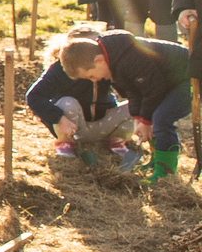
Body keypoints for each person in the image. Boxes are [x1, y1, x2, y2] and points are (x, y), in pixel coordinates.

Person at [56, 30, 189, 184]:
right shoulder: (113, 61)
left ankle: (165, 174)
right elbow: (134, 92)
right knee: (153, 115)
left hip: (190, 78)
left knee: (161, 118)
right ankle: (158, 161)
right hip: (167, 83)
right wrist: (138, 118)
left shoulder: (129, 58)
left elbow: (154, 90)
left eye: (92, 75)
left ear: (99, 61)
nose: (94, 80)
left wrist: (146, 122)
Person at [26, 25, 138, 169]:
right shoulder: (60, 71)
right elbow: (34, 96)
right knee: (68, 103)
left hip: (103, 127)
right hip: (72, 128)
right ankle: (66, 145)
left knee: (134, 104)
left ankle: (117, 143)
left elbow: (130, 92)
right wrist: (58, 119)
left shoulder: (106, 66)